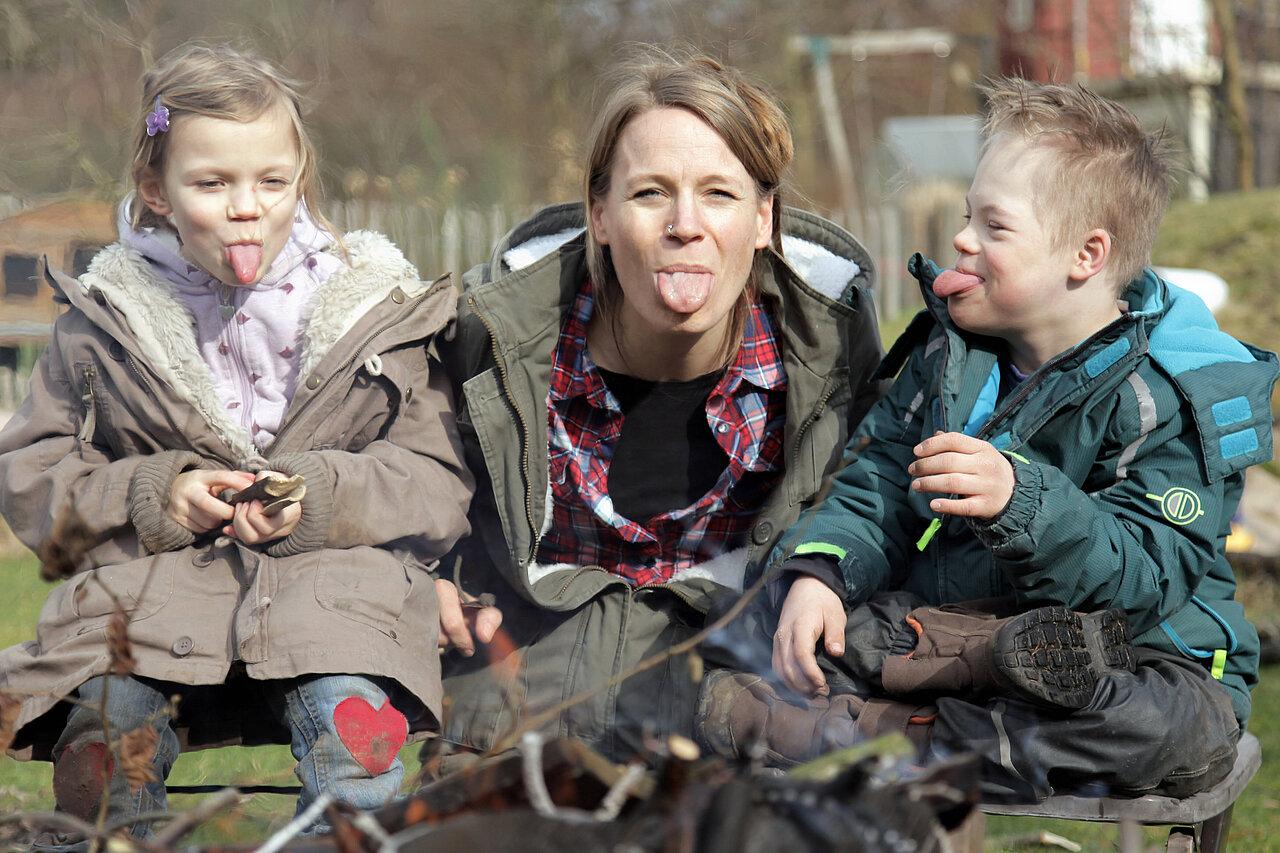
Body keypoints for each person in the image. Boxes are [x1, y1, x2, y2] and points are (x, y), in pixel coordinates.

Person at [698, 78, 1279, 801]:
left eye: (994, 227)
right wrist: (821, 569)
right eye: (969, 216)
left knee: (1164, 728)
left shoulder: (1173, 393)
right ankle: (917, 714)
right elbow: (879, 478)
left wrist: (1021, 500)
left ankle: (875, 730)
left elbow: (1146, 579)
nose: (962, 238)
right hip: (959, 636)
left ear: (1085, 255)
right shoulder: (954, 356)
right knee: (782, 635)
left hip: (1140, 655)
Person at [0, 43, 472, 843]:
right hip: (148, 609)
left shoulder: (375, 314)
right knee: (104, 736)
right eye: (212, 183)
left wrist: (318, 495)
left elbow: (434, 477)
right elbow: (33, 475)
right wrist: (155, 493)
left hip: (339, 603)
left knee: (359, 741)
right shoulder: (106, 322)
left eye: (271, 182)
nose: (245, 206)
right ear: (156, 189)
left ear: (301, 181)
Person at [427, 48, 885, 765]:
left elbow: (877, 519)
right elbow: (417, 488)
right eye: (649, 194)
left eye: (719, 195)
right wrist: (425, 581)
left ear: (763, 220)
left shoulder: (830, 369)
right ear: (599, 216)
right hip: (520, 728)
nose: (684, 224)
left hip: (731, 728)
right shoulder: (496, 353)